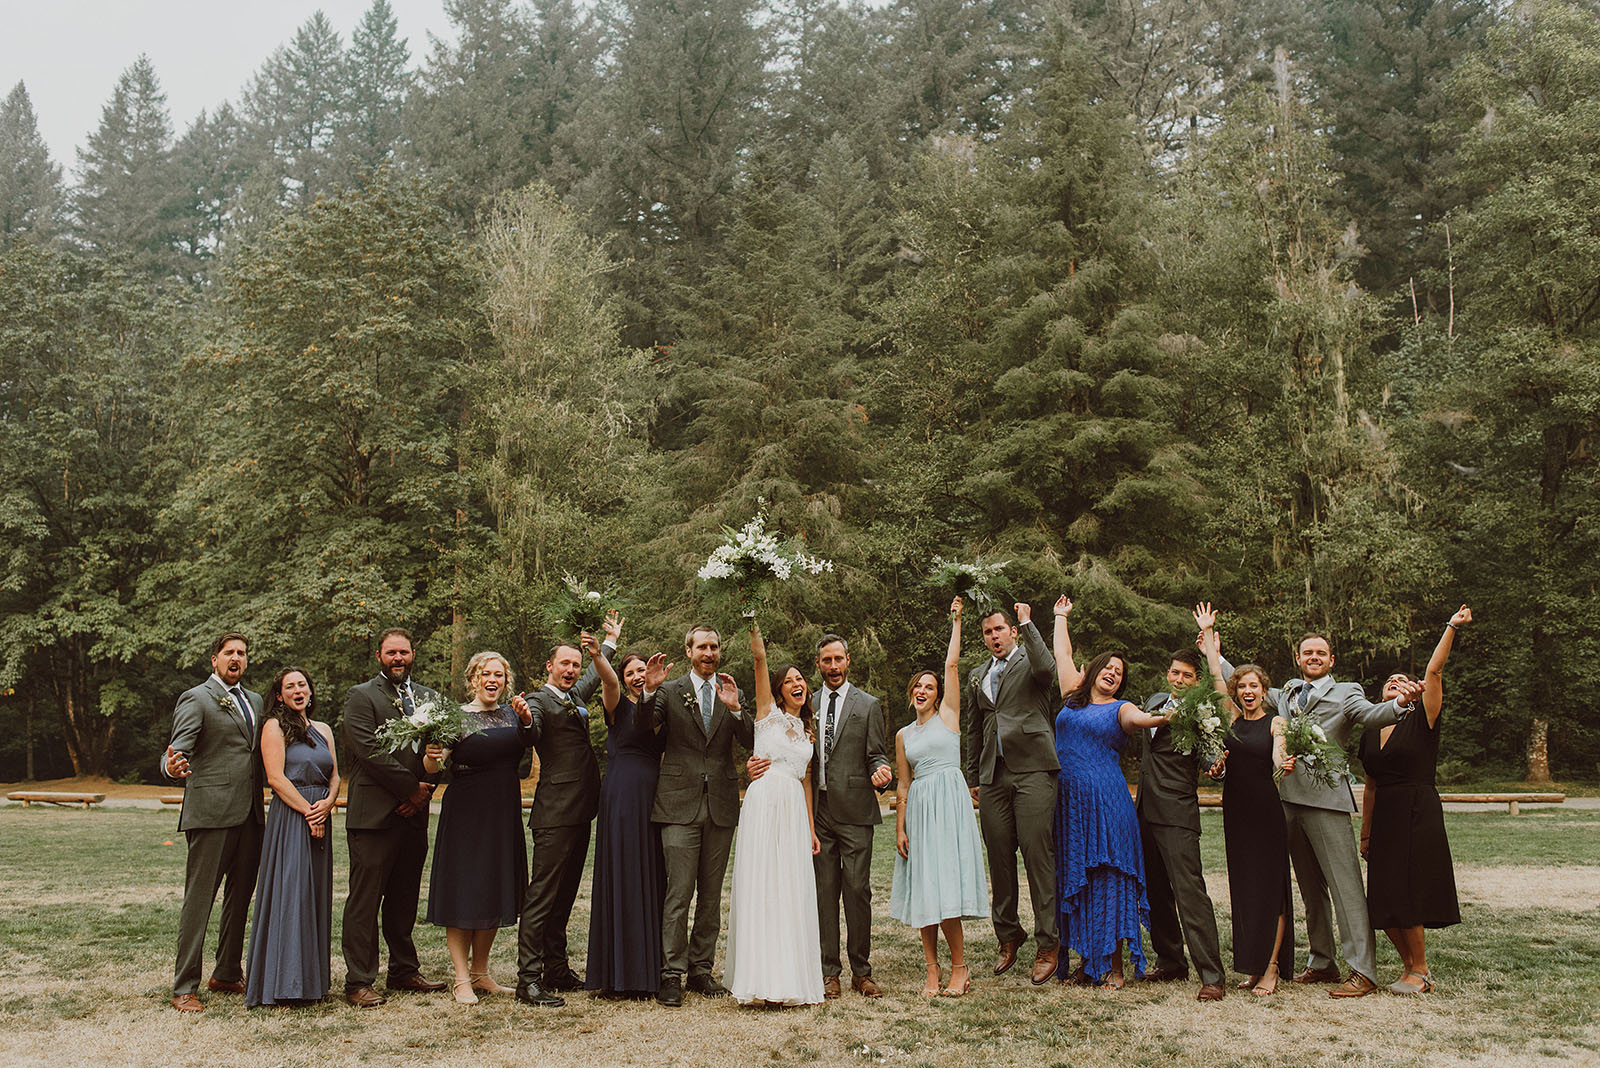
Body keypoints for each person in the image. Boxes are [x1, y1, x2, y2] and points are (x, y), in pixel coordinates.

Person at [1274, 632, 1423, 998]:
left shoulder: (1346, 693)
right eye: (1307, 652)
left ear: (1331, 660)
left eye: (1320, 653)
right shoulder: (1287, 691)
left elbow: (1372, 714)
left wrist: (1400, 703)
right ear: (1298, 658)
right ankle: (1322, 962)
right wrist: (1211, 646)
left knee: (1347, 890)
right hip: (1288, 799)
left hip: (1327, 801)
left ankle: (1363, 971)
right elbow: (1244, 684)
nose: (1314, 657)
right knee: (1310, 890)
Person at [747, 630, 892, 998]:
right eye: (826, 660)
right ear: (818, 665)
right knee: (823, 893)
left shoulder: (868, 705)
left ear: (848, 661)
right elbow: (785, 753)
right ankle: (829, 973)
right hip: (816, 813)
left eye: (838, 659)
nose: (833, 665)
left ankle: (862, 972)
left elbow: (876, 753)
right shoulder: (804, 705)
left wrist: (881, 771)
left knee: (857, 891)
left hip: (856, 811)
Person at [1050, 597, 1169, 988]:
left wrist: (1168, 716)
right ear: (1094, 670)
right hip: (1070, 804)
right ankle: (1089, 964)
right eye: (1109, 668)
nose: (1113, 674)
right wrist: (1061, 617)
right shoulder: (1072, 694)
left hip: (1105, 802)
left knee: (1108, 879)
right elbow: (1062, 654)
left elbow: (1143, 719)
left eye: (1119, 673)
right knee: (1077, 877)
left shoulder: (1122, 708)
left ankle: (1114, 967)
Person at [639, 623, 754, 1007]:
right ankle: (671, 974)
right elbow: (644, 730)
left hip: (720, 803)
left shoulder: (730, 690)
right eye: (702, 647)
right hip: (677, 804)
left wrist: (735, 709)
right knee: (679, 892)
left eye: (714, 647)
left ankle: (701, 970)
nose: (709, 653)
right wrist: (649, 691)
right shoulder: (669, 691)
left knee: (710, 894)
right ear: (688, 651)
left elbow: (751, 740)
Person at [1359, 606, 1470, 995]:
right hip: (1385, 816)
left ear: (1413, 690)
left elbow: (1434, 671)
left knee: (1409, 890)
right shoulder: (1371, 730)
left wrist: (1451, 627)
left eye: (1402, 679)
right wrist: (1365, 834)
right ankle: (1409, 967)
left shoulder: (1424, 717)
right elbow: (1370, 787)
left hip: (1417, 809)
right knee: (1382, 897)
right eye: (1389, 681)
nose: (1394, 681)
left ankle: (1420, 971)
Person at [341, 628, 447, 1008]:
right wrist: (409, 789)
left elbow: (441, 747)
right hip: (373, 816)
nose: (398, 658)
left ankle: (403, 970)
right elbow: (368, 749)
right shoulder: (361, 696)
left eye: (403, 652)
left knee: (404, 898)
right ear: (379, 656)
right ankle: (359, 981)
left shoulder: (430, 698)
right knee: (365, 901)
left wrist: (425, 791)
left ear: (413, 654)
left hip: (414, 816)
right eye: (391, 653)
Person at [161, 632, 266, 1012]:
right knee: (199, 901)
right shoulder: (197, 698)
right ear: (214, 660)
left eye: (242, 652)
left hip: (251, 814)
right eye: (229, 652)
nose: (236, 658)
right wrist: (172, 767)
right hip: (210, 814)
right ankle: (184, 986)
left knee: (240, 898)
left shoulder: (255, 700)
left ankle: (226, 972)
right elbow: (176, 751)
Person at [423, 650, 535, 1004]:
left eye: (499, 675)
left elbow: (531, 743)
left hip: (502, 809)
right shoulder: (454, 717)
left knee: (492, 885)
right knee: (465, 889)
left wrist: (526, 720)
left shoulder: (513, 714)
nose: (492, 680)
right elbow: (434, 767)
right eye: (486, 674)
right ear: (473, 678)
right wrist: (430, 756)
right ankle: (461, 978)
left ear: (505, 681)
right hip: (466, 812)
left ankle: (480, 972)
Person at [889, 596, 988, 997]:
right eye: (918, 686)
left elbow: (951, 665)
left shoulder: (949, 716)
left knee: (945, 888)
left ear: (938, 694)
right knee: (924, 891)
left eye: (929, 687)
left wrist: (957, 622)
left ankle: (960, 969)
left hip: (948, 806)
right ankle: (932, 970)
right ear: (911, 692)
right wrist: (900, 829)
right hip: (919, 811)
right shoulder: (903, 735)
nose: (923, 690)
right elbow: (903, 785)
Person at [724, 616, 825, 1006]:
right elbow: (760, 661)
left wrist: (811, 829)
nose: (797, 684)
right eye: (789, 681)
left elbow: (806, 781)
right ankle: (761, 980)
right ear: (779, 691)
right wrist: (753, 626)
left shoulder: (808, 730)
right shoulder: (767, 714)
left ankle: (789, 977)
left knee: (790, 890)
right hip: (765, 803)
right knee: (764, 886)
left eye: (801, 679)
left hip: (794, 810)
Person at [511, 628, 613, 1007]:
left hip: (582, 810)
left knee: (565, 896)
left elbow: (594, 676)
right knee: (542, 896)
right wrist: (524, 720)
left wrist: (607, 645)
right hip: (554, 813)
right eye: (564, 663)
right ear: (549, 666)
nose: (571, 669)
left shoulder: (575, 696)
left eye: (575, 664)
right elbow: (531, 731)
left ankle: (556, 969)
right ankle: (528, 980)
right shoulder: (538, 701)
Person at [1195, 609, 1294, 996]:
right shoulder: (1233, 719)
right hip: (1236, 813)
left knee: (1270, 890)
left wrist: (1285, 763)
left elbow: (1279, 757)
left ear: (1264, 691)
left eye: (1254, 686)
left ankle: (1271, 967)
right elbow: (1216, 675)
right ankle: (1252, 964)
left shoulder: (1276, 723)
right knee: (1246, 889)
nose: (1247, 691)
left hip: (1266, 813)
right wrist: (1208, 635)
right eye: (1242, 687)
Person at [964, 601, 1060, 984]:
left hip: (1034, 770)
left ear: (1013, 632)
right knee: (999, 859)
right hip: (993, 776)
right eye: (988, 632)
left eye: (999, 630)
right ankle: (1008, 935)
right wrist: (974, 775)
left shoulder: (1030, 661)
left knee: (1037, 857)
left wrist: (1029, 622)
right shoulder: (977, 675)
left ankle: (1048, 944)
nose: (994, 636)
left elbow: (1048, 669)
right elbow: (974, 727)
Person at [1132, 622, 1227, 1001]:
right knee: (1155, 890)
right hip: (1144, 811)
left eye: (1187, 675)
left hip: (1177, 813)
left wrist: (1217, 766)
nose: (1179, 679)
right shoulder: (1155, 702)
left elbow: (1211, 756)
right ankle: (1170, 961)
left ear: (1197, 680)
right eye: (1175, 672)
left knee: (1190, 894)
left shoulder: (1202, 712)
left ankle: (1212, 975)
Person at [245, 668, 339, 1007]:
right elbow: (275, 778)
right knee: (292, 893)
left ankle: (312, 983)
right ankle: (284, 983)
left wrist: (328, 804)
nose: (298, 691)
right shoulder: (274, 727)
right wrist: (309, 812)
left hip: (321, 814)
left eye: (302, 685)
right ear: (280, 695)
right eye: (290, 687)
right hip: (291, 816)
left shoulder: (324, 729)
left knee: (314, 895)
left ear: (310, 691)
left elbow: (335, 776)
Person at [585, 622, 667, 999]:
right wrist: (601, 652)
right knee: (624, 873)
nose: (637, 676)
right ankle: (618, 973)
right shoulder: (616, 702)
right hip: (622, 794)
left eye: (642, 670)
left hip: (655, 794)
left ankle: (651, 970)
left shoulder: (662, 706)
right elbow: (607, 679)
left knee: (652, 874)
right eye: (631, 672)